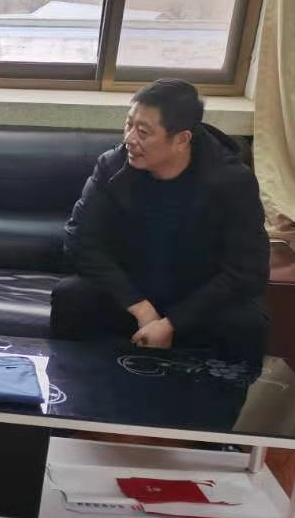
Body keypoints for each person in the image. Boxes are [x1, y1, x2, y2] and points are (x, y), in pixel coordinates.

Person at [52, 78, 270, 362]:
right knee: (72, 296)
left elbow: (247, 271)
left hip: (197, 298)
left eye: (143, 132)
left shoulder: (232, 182)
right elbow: (79, 241)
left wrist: (172, 323)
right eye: (128, 125)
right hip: (132, 293)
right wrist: (141, 309)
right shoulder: (112, 166)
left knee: (246, 323)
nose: (130, 139)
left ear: (181, 139)